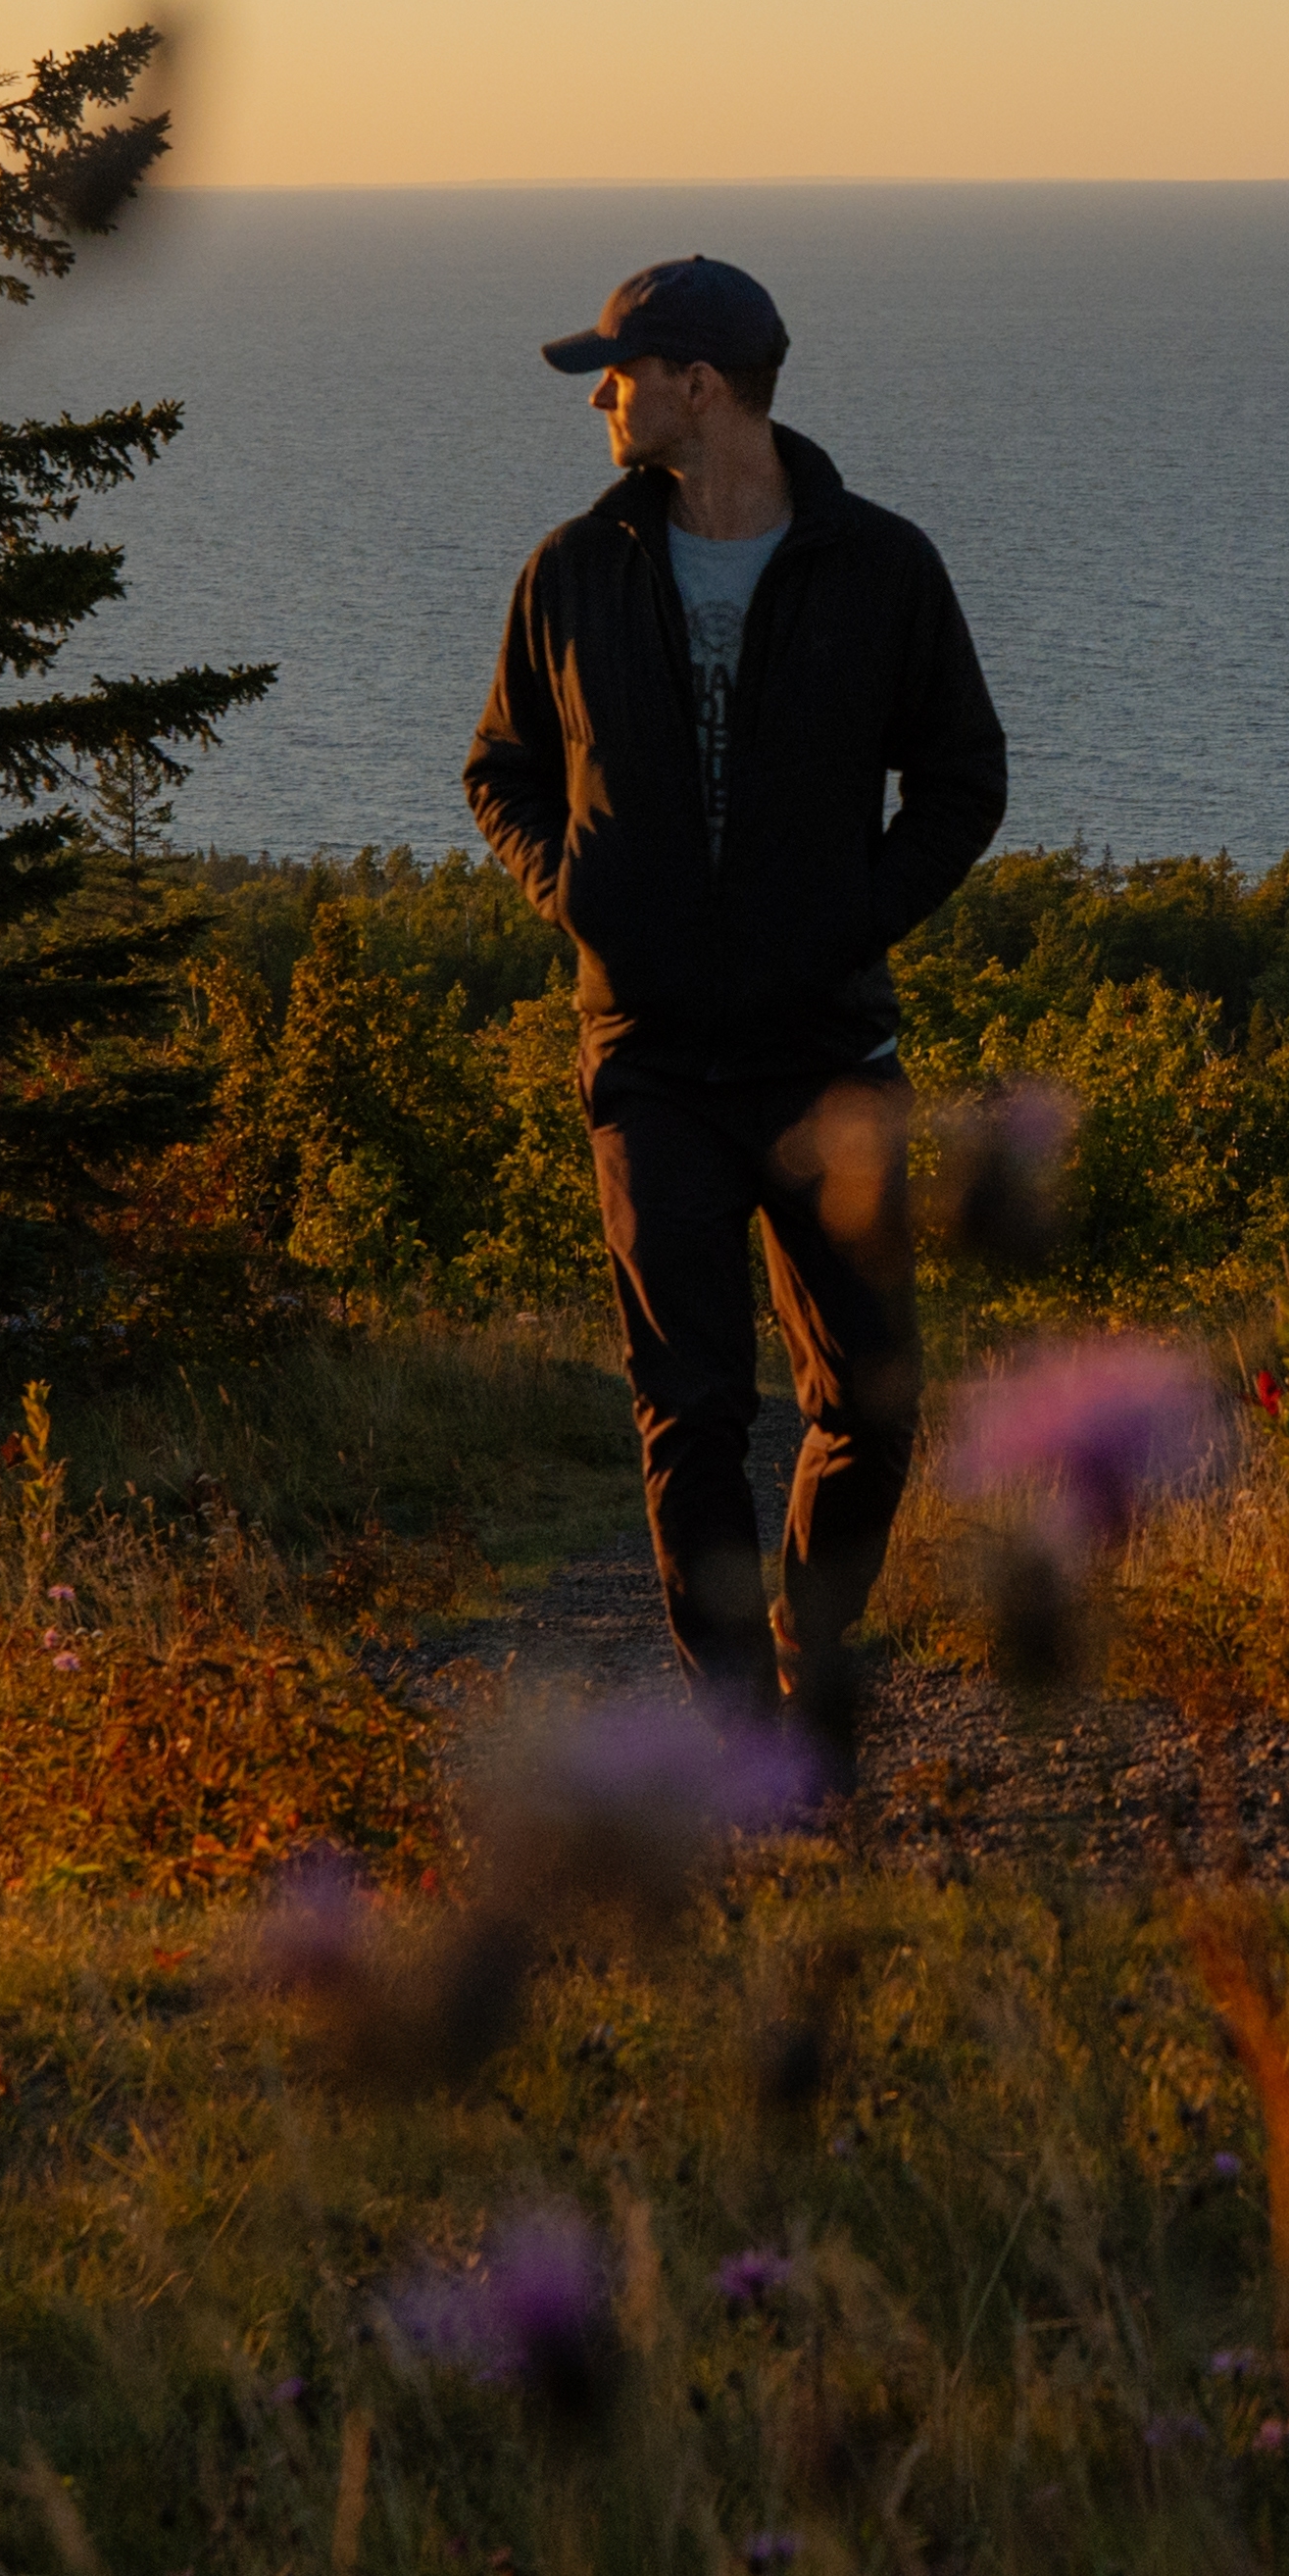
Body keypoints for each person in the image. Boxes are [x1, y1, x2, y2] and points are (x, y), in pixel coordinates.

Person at [460, 255, 1013, 1761]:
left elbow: (964, 778)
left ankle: (806, 1642)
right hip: (645, 1058)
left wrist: (848, 919)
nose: (602, 395)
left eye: (622, 373)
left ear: (702, 388)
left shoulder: (881, 568)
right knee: (691, 1410)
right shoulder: (572, 569)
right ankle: (730, 1729)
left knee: (871, 1402)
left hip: (826, 1053)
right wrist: (573, 893)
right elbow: (500, 768)